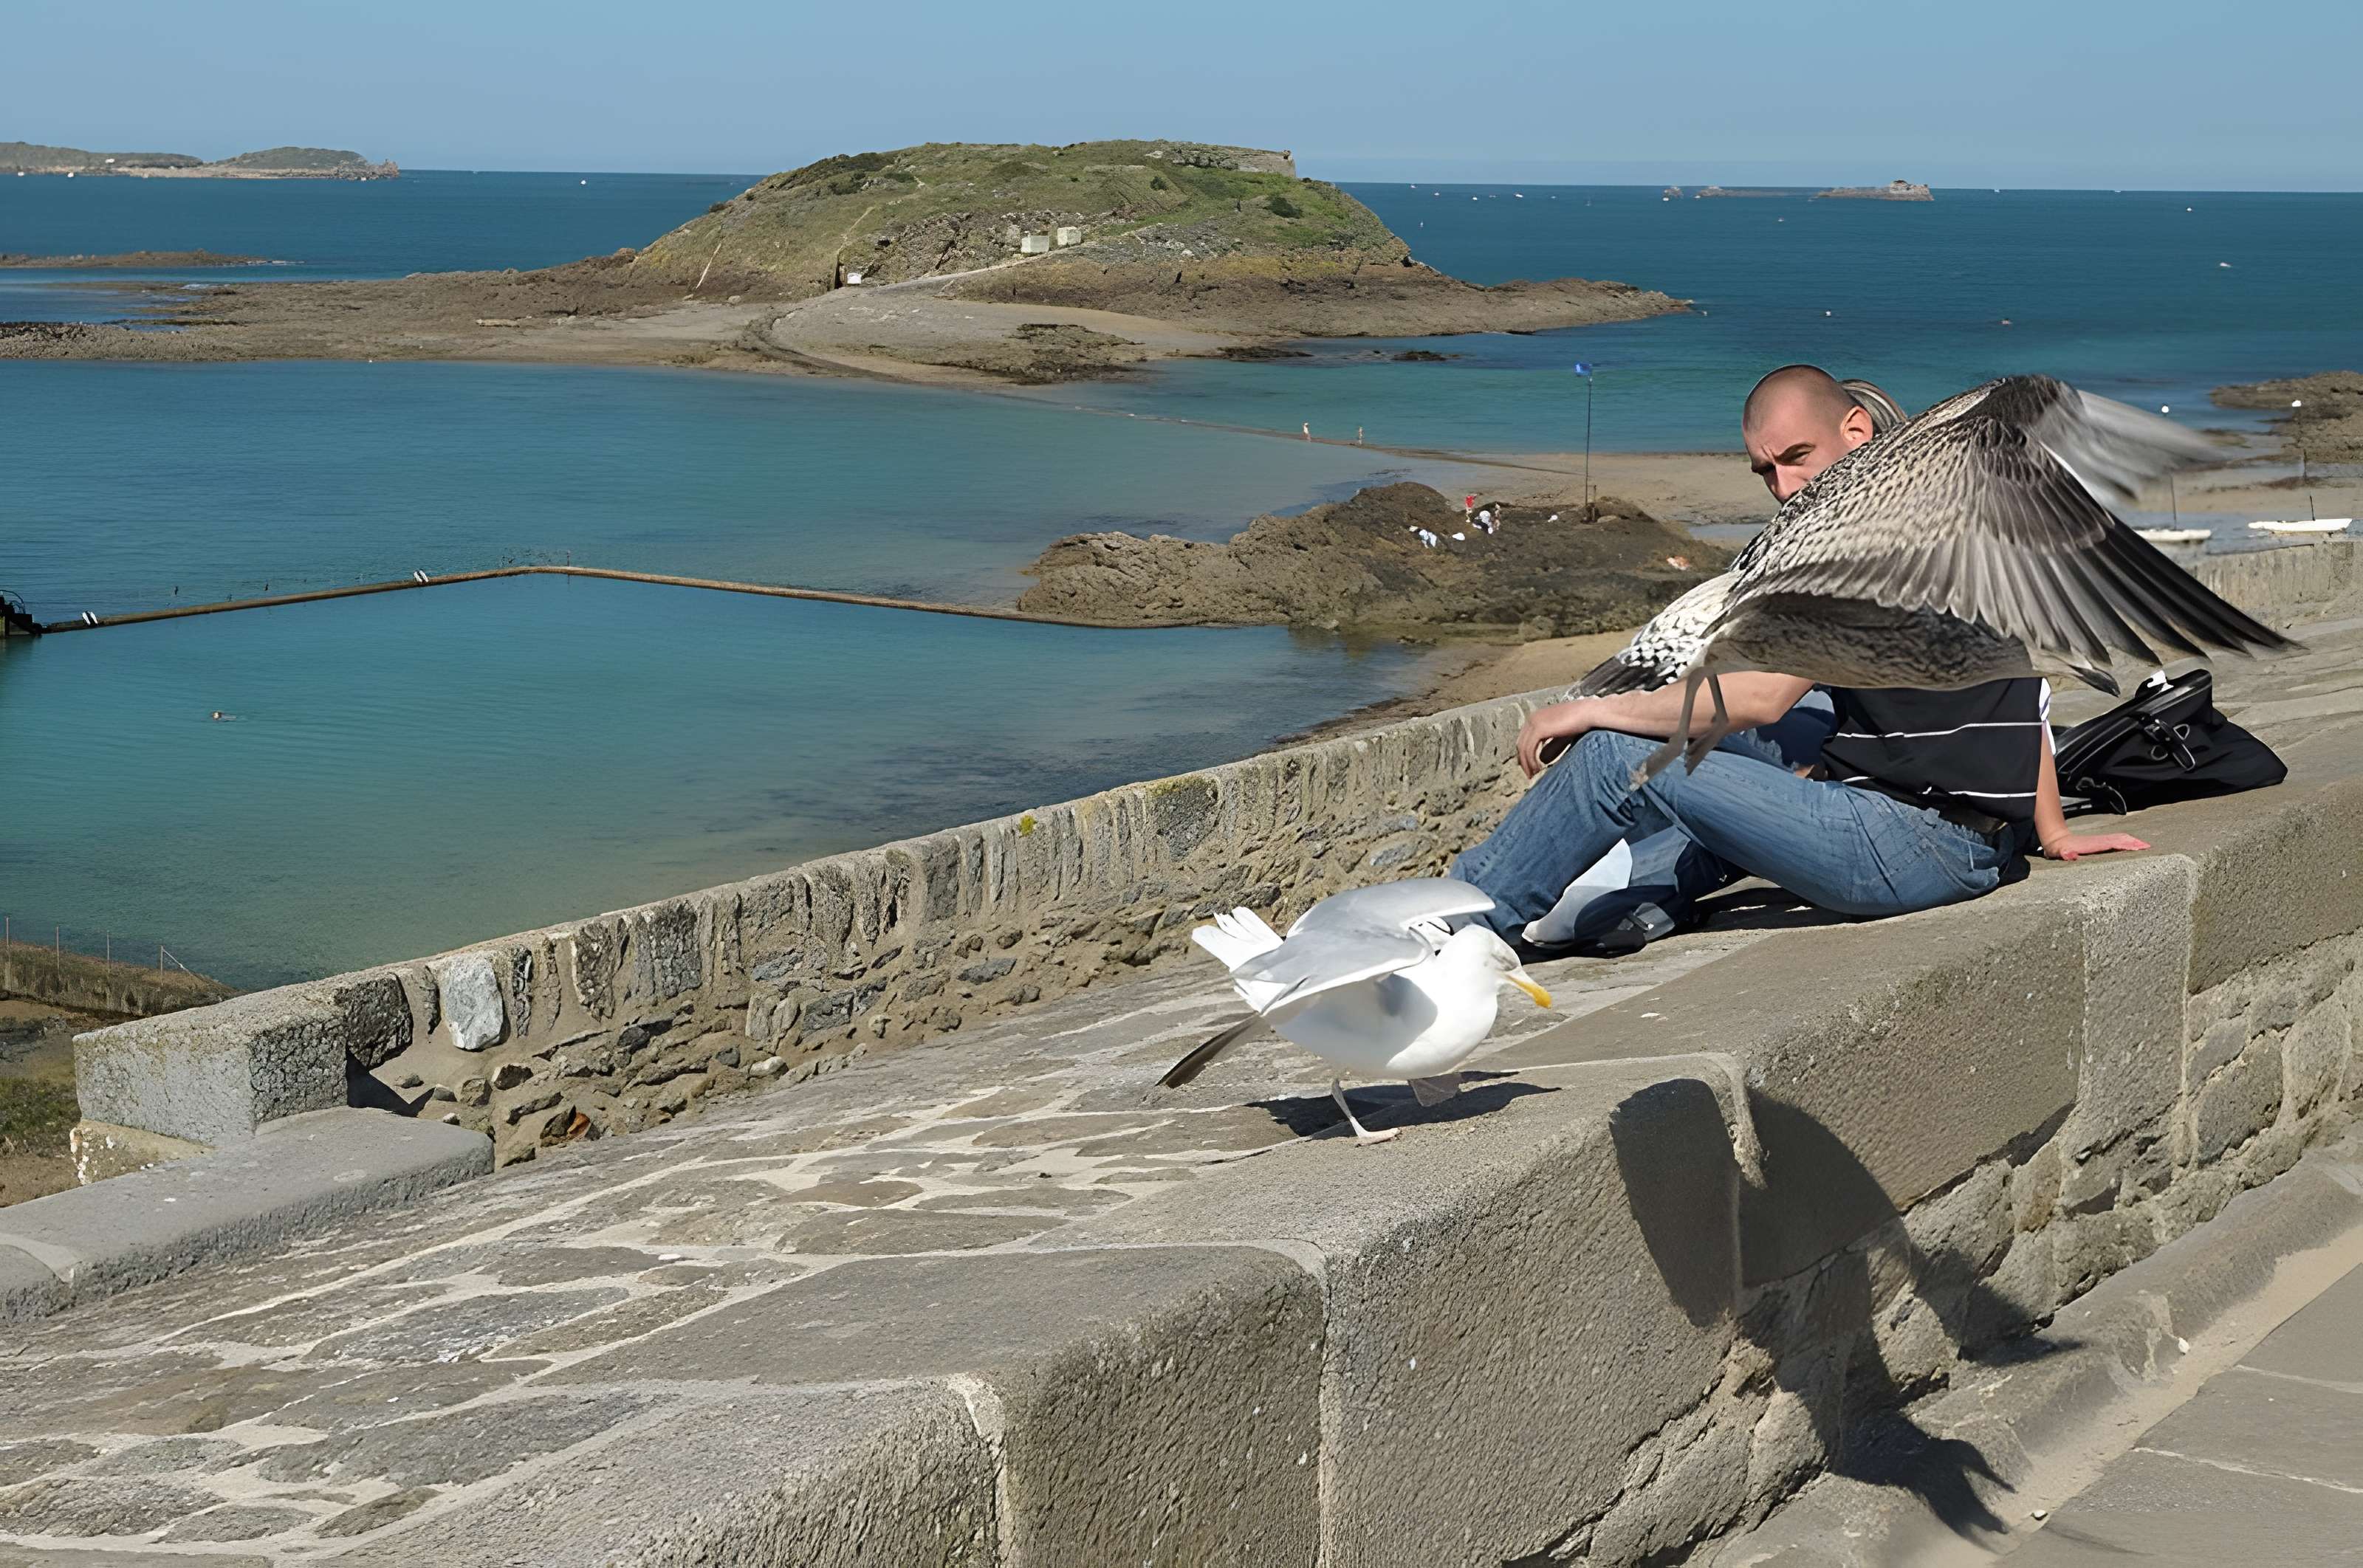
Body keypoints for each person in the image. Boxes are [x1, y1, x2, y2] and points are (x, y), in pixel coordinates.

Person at [1451, 365, 2147, 947]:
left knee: (1616, 754)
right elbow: (2024, 690)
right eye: (1765, 472)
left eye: (1796, 458)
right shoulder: (1954, 528)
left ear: (1857, 433)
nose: (1784, 489)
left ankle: (1459, 924)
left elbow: (1759, 695)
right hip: (1975, 842)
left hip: (1906, 846)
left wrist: (1590, 708)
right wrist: (2051, 833)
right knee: (1795, 728)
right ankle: (1652, 889)